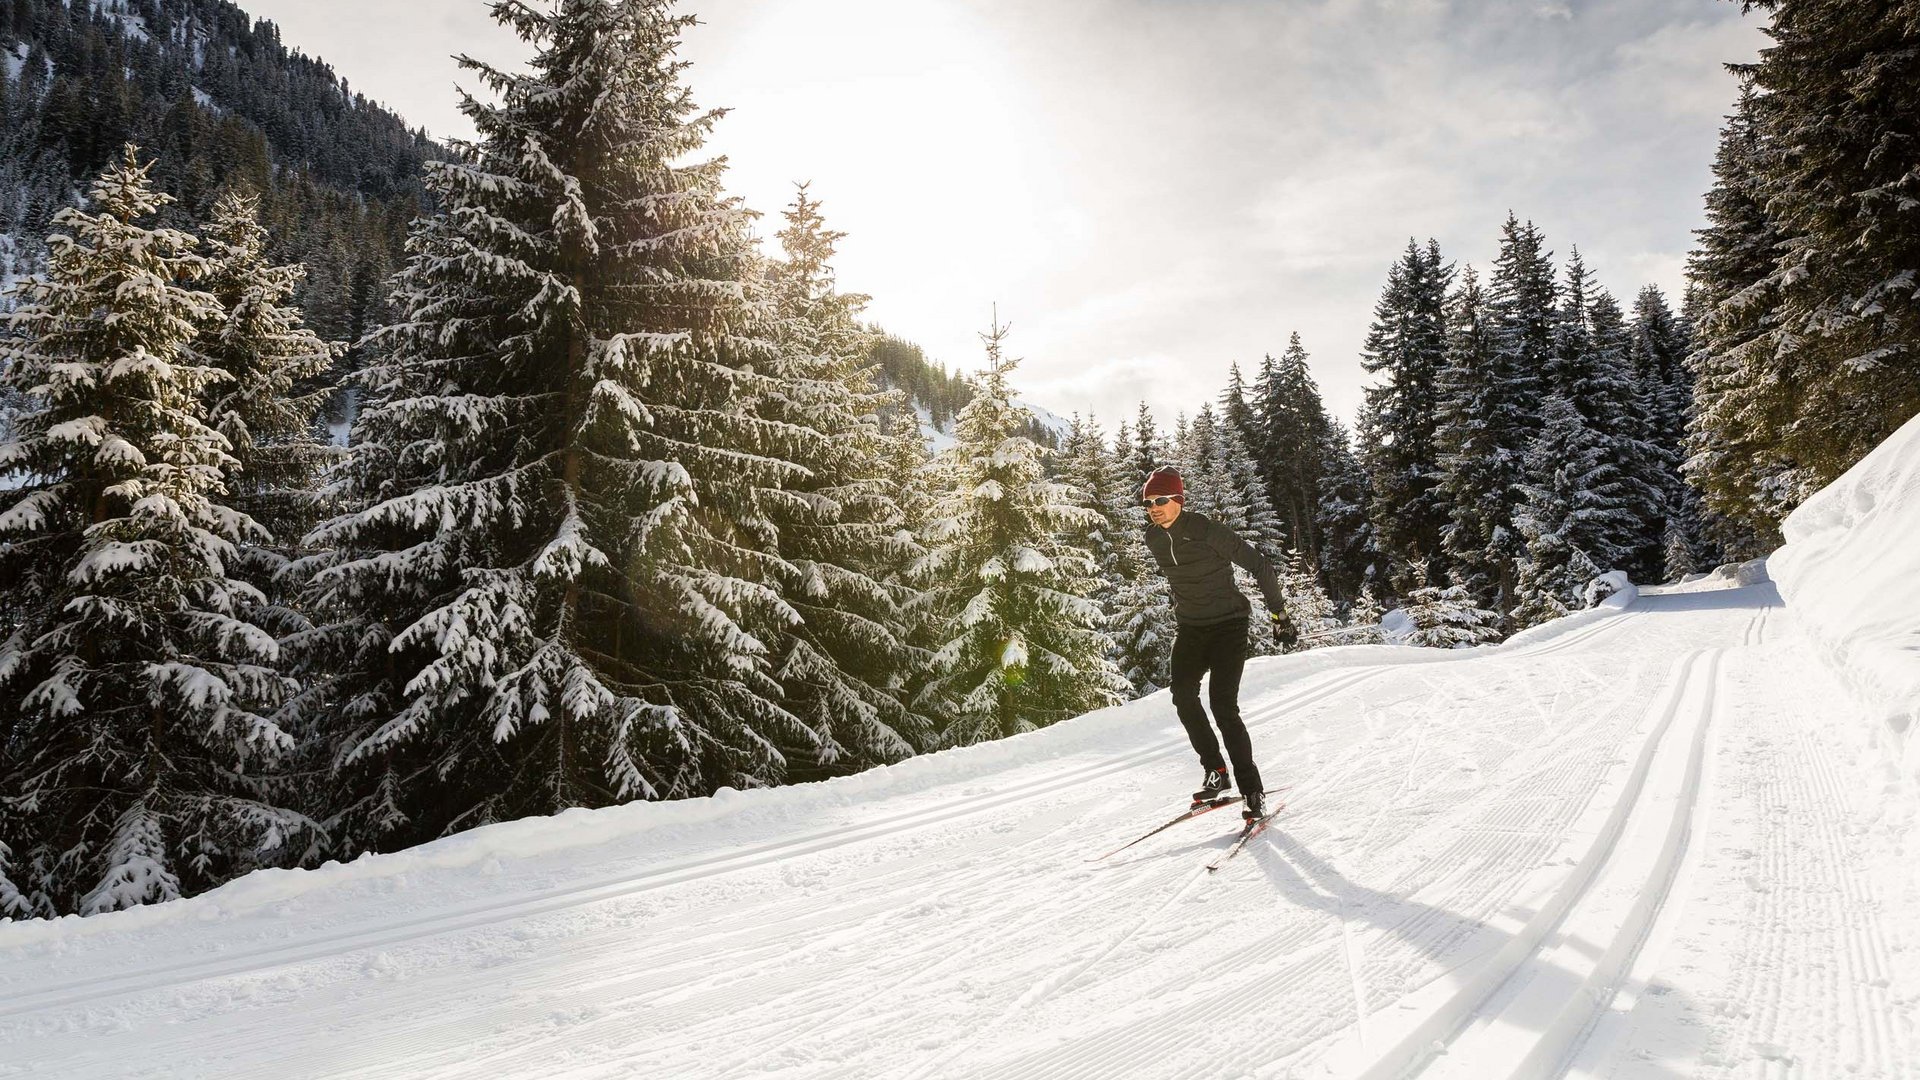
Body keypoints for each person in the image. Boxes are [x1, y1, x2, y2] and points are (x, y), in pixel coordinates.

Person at [1139, 466, 1296, 821]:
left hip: (1229, 625)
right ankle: (1216, 772)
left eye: (1160, 500)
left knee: (1223, 707)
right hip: (1191, 628)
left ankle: (1252, 790)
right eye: (1148, 502)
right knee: (1182, 694)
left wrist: (1280, 616)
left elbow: (1259, 565)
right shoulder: (1153, 538)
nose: (1153, 507)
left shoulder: (1205, 529)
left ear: (1178, 499)